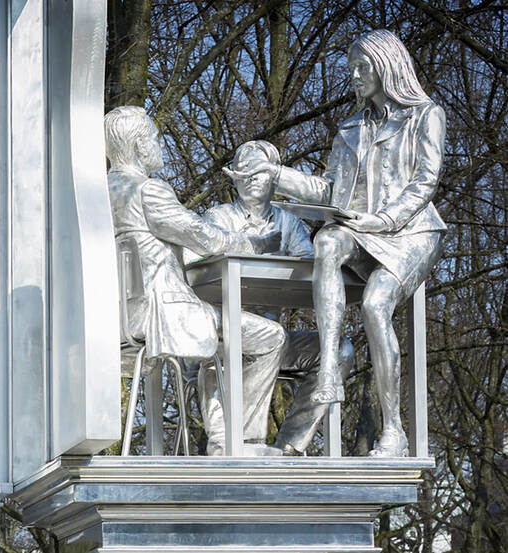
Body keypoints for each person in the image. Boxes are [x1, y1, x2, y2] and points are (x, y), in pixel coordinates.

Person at [231, 30, 446, 456]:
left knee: (373, 304)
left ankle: (394, 432)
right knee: (328, 239)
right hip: (360, 230)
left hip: (412, 232)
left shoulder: (425, 115)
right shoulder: (350, 127)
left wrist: (384, 218)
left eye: (361, 67)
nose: (354, 75)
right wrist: (276, 174)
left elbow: (425, 181)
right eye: (351, 68)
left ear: (386, 65)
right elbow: (330, 189)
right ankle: (329, 364)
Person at [198, 140, 354, 456]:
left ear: (274, 178)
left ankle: (291, 446)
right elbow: (208, 260)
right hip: (224, 339)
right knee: (261, 340)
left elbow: (309, 268)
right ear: (235, 178)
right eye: (244, 172)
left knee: (339, 349)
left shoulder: (289, 221)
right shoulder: (217, 217)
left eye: (259, 172)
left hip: (275, 343)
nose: (251, 178)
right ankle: (241, 445)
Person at [104, 105, 251, 361]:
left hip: (119, 316)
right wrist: (245, 242)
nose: (159, 145)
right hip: (162, 314)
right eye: (155, 138)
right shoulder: (146, 190)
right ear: (141, 145)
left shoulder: (101, 192)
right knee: (272, 336)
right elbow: (201, 235)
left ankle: (212, 400)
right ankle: (224, 403)